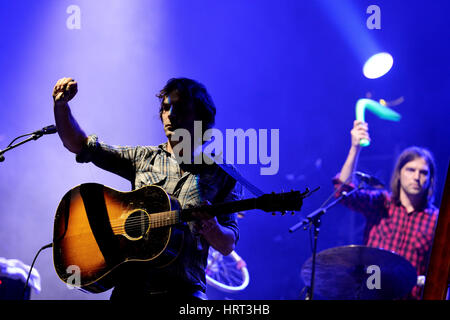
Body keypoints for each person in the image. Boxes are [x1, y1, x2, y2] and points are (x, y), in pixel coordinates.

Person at [52, 77, 242, 300]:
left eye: (179, 107)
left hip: (185, 293)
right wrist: (61, 106)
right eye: (165, 108)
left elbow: (228, 244)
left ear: (200, 115)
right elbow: (79, 144)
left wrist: (212, 228)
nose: (170, 115)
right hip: (130, 291)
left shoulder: (223, 175)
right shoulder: (143, 158)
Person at [333, 120, 439, 300]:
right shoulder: (381, 203)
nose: (416, 177)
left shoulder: (436, 220)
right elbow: (342, 191)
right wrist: (355, 148)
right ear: (399, 173)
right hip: (371, 295)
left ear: (430, 179)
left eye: (423, 172)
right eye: (411, 170)